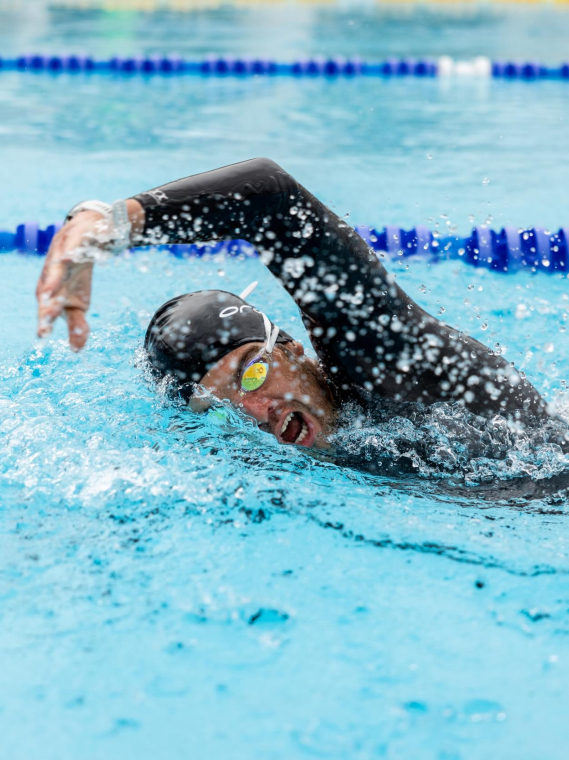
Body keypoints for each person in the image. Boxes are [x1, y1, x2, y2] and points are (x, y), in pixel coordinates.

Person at [36, 158, 547, 451]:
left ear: (292, 351)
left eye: (250, 375)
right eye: (217, 410)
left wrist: (107, 226)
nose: (254, 412)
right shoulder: (311, 453)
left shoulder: (385, 362)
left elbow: (271, 201)